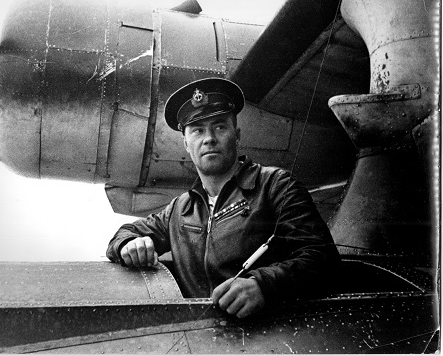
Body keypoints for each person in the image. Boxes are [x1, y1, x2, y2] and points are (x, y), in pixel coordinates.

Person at [106, 77, 340, 319]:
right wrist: (129, 244)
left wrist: (263, 285)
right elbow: (124, 233)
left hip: (270, 333)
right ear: (186, 143)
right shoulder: (180, 209)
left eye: (219, 127)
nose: (209, 138)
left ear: (236, 135)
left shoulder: (275, 185)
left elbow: (323, 258)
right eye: (198, 130)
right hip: (200, 334)